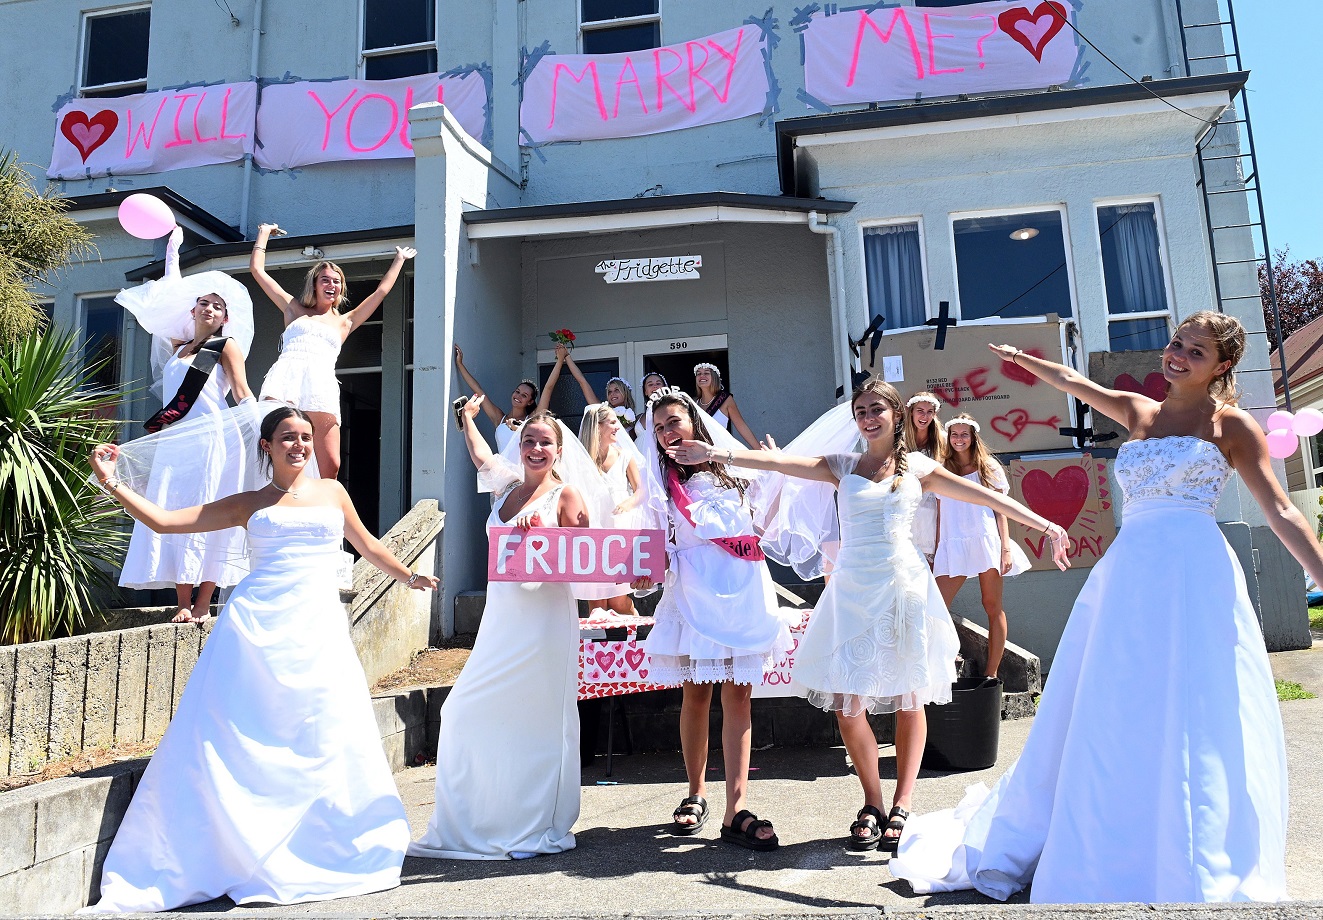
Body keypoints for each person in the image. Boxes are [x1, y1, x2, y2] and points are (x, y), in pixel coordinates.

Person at [892, 312, 1323, 903]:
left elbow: (1280, 510)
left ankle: (1192, 844)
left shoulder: (1233, 426)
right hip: (1128, 576)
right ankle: (1111, 830)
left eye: (1195, 352)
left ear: (1222, 366)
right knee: (1115, 698)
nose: (1177, 356)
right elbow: (1076, 385)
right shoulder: (1139, 411)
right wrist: (1026, 361)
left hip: (1194, 573)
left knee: (1196, 702)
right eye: (1176, 343)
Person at [672, 379, 1068, 853]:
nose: (868, 417)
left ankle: (901, 804)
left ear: (896, 415)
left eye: (876, 409)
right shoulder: (841, 466)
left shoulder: (919, 467)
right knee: (847, 703)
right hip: (851, 591)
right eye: (861, 410)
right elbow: (776, 462)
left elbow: (985, 497)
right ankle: (873, 802)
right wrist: (715, 455)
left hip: (904, 590)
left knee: (909, 696)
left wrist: (1044, 524)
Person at [83, 408, 437, 913]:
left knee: (323, 729)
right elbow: (165, 523)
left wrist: (410, 577)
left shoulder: (333, 493)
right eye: (288, 437)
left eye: (306, 437)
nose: (299, 445)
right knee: (244, 729)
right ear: (266, 446)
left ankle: (318, 844)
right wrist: (111, 482)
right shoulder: (250, 503)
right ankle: (237, 845)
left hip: (316, 628)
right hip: (255, 627)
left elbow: (368, 545)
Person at [409, 396, 610, 860]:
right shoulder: (505, 488)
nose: (536, 449)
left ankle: (533, 819)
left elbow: (589, 562)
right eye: (529, 442)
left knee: (535, 722)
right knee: (461, 713)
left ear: (560, 451)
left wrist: (544, 539)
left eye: (545, 443)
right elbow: (481, 454)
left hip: (544, 626)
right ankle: (483, 817)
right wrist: (465, 419)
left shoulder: (568, 496)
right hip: (500, 624)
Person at [631, 389, 794, 851]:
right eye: (659, 427)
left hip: (742, 587)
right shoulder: (660, 478)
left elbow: (765, 523)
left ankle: (735, 809)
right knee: (696, 693)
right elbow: (649, 537)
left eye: (674, 422)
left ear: (695, 422)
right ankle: (695, 792)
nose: (666, 433)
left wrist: (776, 469)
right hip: (693, 589)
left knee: (740, 695)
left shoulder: (734, 470)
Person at [115, 228, 259, 622]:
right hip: (175, 441)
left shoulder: (224, 347)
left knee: (208, 512)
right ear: (192, 311)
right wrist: (172, 252)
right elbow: (168, 293)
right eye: (203, 304)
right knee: (174, 509)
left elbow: (243, 392)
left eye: (217, 306)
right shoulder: (177, 347)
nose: (209, 309)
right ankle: (181, 601)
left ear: (225, 317)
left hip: (211, 440)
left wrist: (265, 420)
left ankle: (202, 602)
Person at [249, 222, 416, 477]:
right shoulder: (293, 309)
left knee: (330, 466)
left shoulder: (344, 321)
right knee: (276, 455)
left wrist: (399, 260)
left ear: (340, 288)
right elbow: (257, 271)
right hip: (286, 380)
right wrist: (263, 233)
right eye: (325, 280)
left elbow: (380, 292)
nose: (331, 284)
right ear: (314, 284)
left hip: (320, 385)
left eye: (336, 281)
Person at [931, 414, 1031, 680]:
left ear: (973, 437)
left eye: (964, 434)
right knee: (935, 606)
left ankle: (991, 673)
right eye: (954, 434)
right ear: (948, 438)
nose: (959, 439)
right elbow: (940, 513)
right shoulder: (942, 469)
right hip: (953, 544)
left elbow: (1002, 511)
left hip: (986, 541)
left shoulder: (989, 467)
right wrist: (938, 549)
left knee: (992, 605)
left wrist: (1005, 547)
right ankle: (941, 664)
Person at [579, 402, 645, 615]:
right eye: (613, 422)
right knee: (597, 604)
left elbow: (641, 491)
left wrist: (628, 502)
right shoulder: (581, 460)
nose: (618, 427)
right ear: (597, 427)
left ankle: (633, 638)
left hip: (619, 531)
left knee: (618, 600)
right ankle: (601, 648)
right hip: (593, 533)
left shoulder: (624, 455)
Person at [453, 343, 555, 451]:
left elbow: (548, 389)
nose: (518, 396)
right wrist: (459, 364)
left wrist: (560, 359)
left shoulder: (531, 420)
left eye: (524, 395)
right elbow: (478, 390)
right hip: (500, 467)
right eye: (517, 391)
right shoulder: (499, 418)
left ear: (530, 402)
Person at [904, 392, 946, 568]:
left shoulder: (942, 440)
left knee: (930, 570)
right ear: (911, 412)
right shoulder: (899, 440)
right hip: (906, 510)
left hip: (935, 512)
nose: (924, 416)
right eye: (920, 410)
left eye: (930, 411)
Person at [560, 346, 639, 438]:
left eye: (617, 390)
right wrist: (567, 356)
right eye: (609, 392)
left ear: (625, 393)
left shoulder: (635, 421)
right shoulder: (603, 410)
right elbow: (582, 381)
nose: (612, 394)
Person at [693, 362, 759, 447]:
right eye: (699, 374)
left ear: (714, 378)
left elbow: (741, 426)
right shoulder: (693, 402)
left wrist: (759, 449)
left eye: (706, 373)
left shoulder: (725, 400)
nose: (702, 376)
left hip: (720, 452)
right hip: (698, 453)